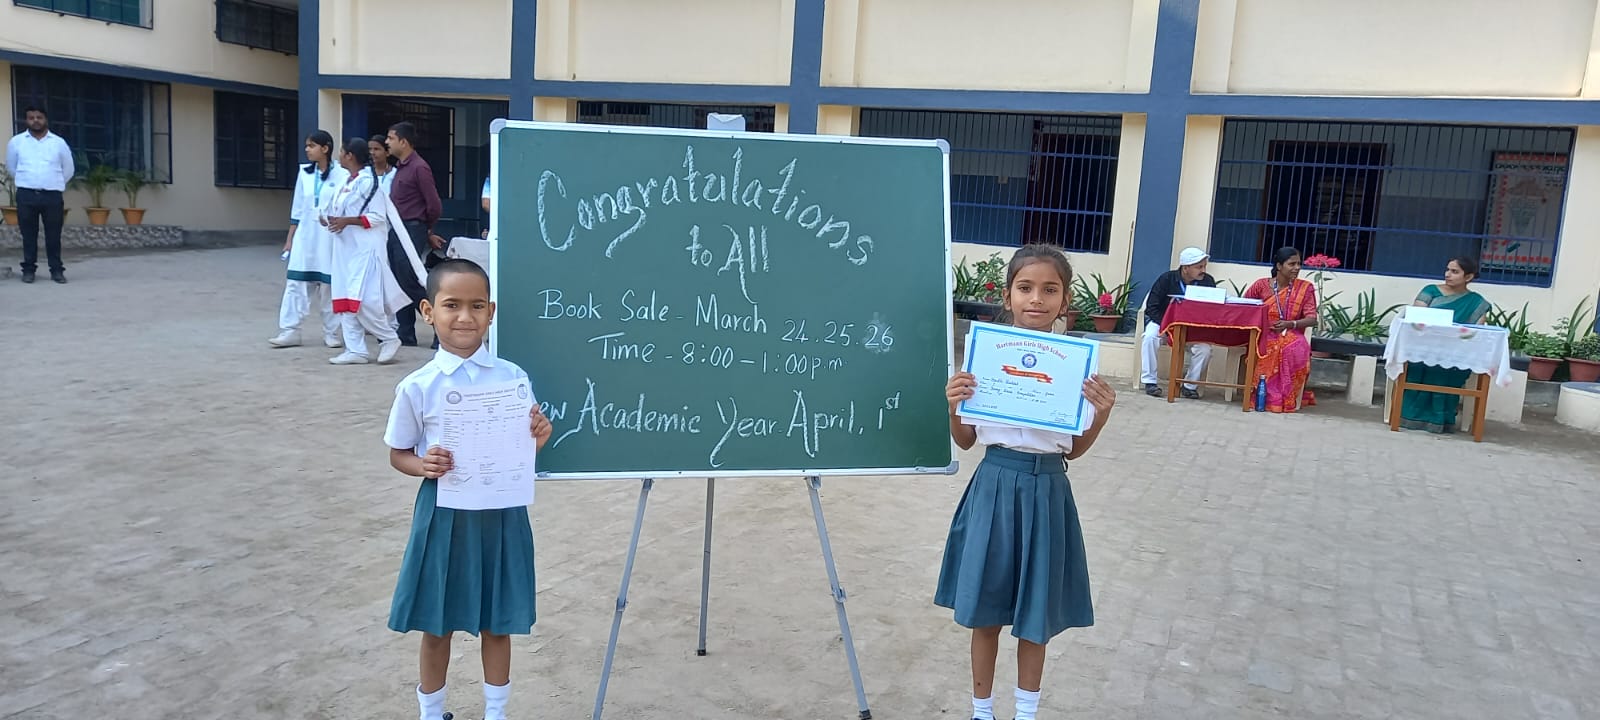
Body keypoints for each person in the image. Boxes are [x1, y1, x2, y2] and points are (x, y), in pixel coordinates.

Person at [939, 244, 1118, 720]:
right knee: (986, 608)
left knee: (1035, 614)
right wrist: (954, 404)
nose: (1035, 299)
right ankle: (981, 711)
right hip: (994, 485)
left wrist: (1099, 416)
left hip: (1048, 491)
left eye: (1049, 289)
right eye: (1025, 288)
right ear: (1008, 293)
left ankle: (1026, 713)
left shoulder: (1078, 367)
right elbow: (965, 441)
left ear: (1065, 299)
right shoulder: (986, 355)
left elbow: (1072, 449)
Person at [385, 259, 553, 720]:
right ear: (427, 311)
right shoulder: (418, 386)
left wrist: (537, 437)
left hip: (501, 515)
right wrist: (424, 464)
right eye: (451, 305)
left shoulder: (511, 379)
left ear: (491, 312)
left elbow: (521, 454)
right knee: (435, 624)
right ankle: (431, 712)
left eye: (477, 306)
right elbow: (398, 453)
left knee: (497, 623)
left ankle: (495, 713)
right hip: (444, 515)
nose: (465, 317)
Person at [323, 138, 427, 366]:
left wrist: (347, 221)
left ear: (349, 155)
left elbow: (378, 217)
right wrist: (327, 218)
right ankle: (356, 349)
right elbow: (331, 209)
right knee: (345, 301)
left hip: (366, 250)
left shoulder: (370, 184)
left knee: (364, 300)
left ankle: (389, 337)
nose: (338, 155)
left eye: (341, 152)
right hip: (344, 250)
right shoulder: (344, 182)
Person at [270, 131, 348, 349]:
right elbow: (298, 209)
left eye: (312, 146)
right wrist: (290, 239)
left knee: (328, 286)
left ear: (325, 148)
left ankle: (331, 332)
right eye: (307, 146)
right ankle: (290, 330)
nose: (307, 150)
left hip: (329, 236)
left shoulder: (341, 175)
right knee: (296, 284)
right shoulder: (303, 173)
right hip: (306, 236)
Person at [1400, 256, 1492, 433]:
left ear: (1469, 277)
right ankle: (1409, 417)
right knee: (1422, 364)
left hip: (1454, 352)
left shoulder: (1477, 302)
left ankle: (1440, 420)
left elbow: (1474, 331)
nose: (1448, 274)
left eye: (1455, 271)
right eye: (1447, 270)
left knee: (1448, 368)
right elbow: (1417, 320)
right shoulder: (1430, 291)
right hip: (1423, 347)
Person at [385, 121, 444, 347]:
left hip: (411, 228)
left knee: (409, 278)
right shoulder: (401, 167)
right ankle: (406, 332)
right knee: (398, 281)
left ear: (404, 141)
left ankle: (439, 324)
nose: (387, 143)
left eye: (391, 138)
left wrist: (426, 228)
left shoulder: (419, 167)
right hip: (397, 230)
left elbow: (434, 204)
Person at [1244, 246, 1318, 413]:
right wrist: (1263, 324)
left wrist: (1290, 324)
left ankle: (1283, 396)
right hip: (1263, 333)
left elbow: (1312, 319)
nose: (1297, 268)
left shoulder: (1305, 288)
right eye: (1292, 264)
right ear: (1279, 266)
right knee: (1269, 347)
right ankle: (1265, 394)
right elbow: (1245, 308)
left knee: (1289, 348)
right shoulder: (1261, 285)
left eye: (1299, 264)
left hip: (1292, 333)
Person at [6, 106, 73, 284]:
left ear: (46, 119)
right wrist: (28, 182)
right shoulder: (17, 142)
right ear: (26, 120)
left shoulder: (58, 143)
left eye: (39, 117)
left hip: (52, 196)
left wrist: (52, 183)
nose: (35, 120)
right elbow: (12, 168)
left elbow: (68, 170)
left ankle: (56, 270)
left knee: (53, 235)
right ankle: (29, 270)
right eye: (31, 117)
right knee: (28, 235)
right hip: (26, 195)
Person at [1140, 246, 1219, 398]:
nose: (1203, 270)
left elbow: (1211, 309)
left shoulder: (1207, 281)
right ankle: (1149, 382)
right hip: (1164, 322)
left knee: (1205, 350)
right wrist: (1168, 325)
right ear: (1185, 268)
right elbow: (1152, 307)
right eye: (1199, 267)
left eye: (1204, 266)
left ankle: (1189, 386)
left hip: (1192, 327)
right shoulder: (1166, 279)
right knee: (1150, 337)